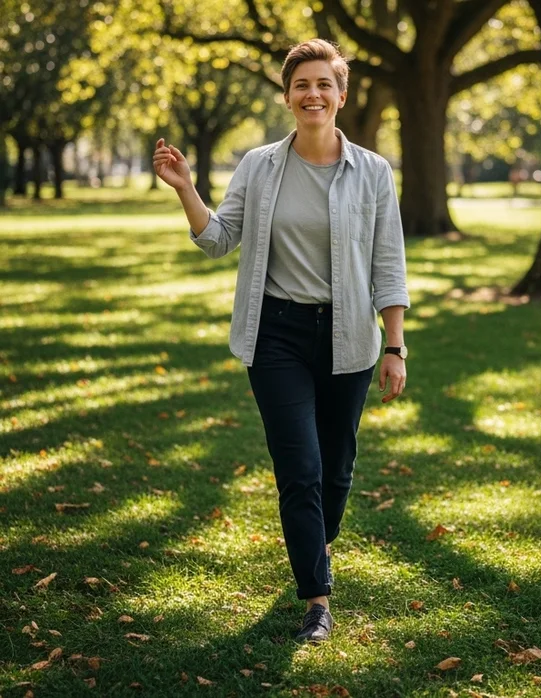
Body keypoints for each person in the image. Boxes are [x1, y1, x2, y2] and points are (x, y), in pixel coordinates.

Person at [152, 38, 410, 643]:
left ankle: (313, 543)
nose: (313, 94)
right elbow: (218, 239)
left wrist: (394, 346)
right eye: (301, 85)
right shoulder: (259, 166)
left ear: (341, 95)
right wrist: (187, 188)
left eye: (324, 84)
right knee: (300, 467)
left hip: (349, 335)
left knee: (337, 471)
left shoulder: (373, 172)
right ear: (288, 97)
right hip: (278, 336)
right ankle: (317, 600)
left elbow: (388, 263)